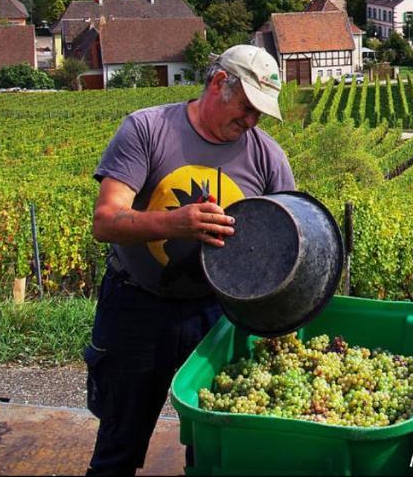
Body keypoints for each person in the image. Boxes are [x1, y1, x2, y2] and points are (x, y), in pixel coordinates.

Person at [84, 44, 295, 476]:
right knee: (119, 444)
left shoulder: (268, 156)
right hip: (138, 308)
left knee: (212, 449)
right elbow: (105, 222)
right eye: (246, 107)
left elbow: (287, 242)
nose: (251, 121)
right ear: (219, 84)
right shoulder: (147, 130)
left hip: (219, 316)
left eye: (260, 113)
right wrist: (174, 223)